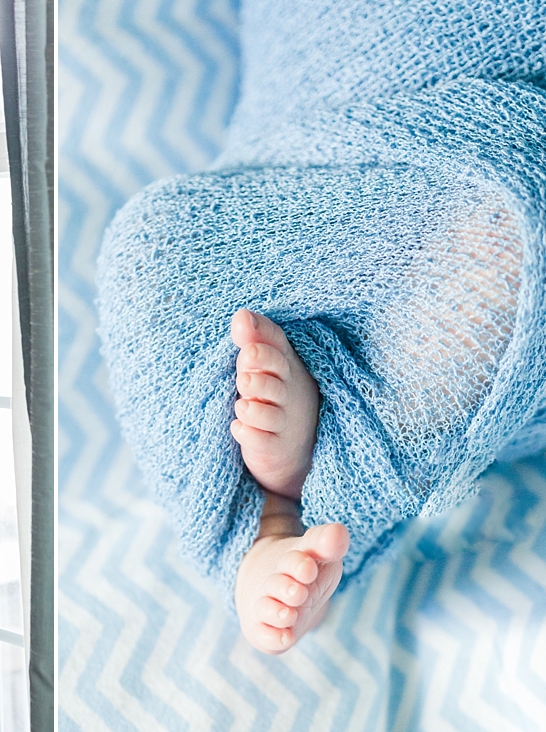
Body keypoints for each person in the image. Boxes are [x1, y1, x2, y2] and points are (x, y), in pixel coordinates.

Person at [97, 0, 546, 655]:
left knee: (503, 232)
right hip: (298, 198)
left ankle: (332, 484)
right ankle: (261, 530)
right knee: (151, 247)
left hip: (469, 238)